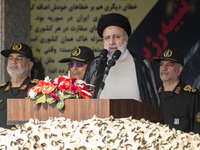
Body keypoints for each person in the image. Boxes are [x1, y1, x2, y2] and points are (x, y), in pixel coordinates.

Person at [84, 13, 160, 106]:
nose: (111, 42)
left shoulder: (142, 64)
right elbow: (85, 100)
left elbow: (153, 101)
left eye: (116, 36)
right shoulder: (95, 64)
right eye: (107, 38)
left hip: (136, 119)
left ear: (126, 38)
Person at [153, 48, 200, 134]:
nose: (164, 68)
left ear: (179, 70)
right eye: (162, 64)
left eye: (170, 65)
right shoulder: (152, 94)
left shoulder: (192, 96)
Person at [0, 42, 39, 129]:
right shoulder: (1, 91)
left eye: (19, 59)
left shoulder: (39, 89)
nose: (13, 61)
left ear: (29, 65)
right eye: (10, 58)